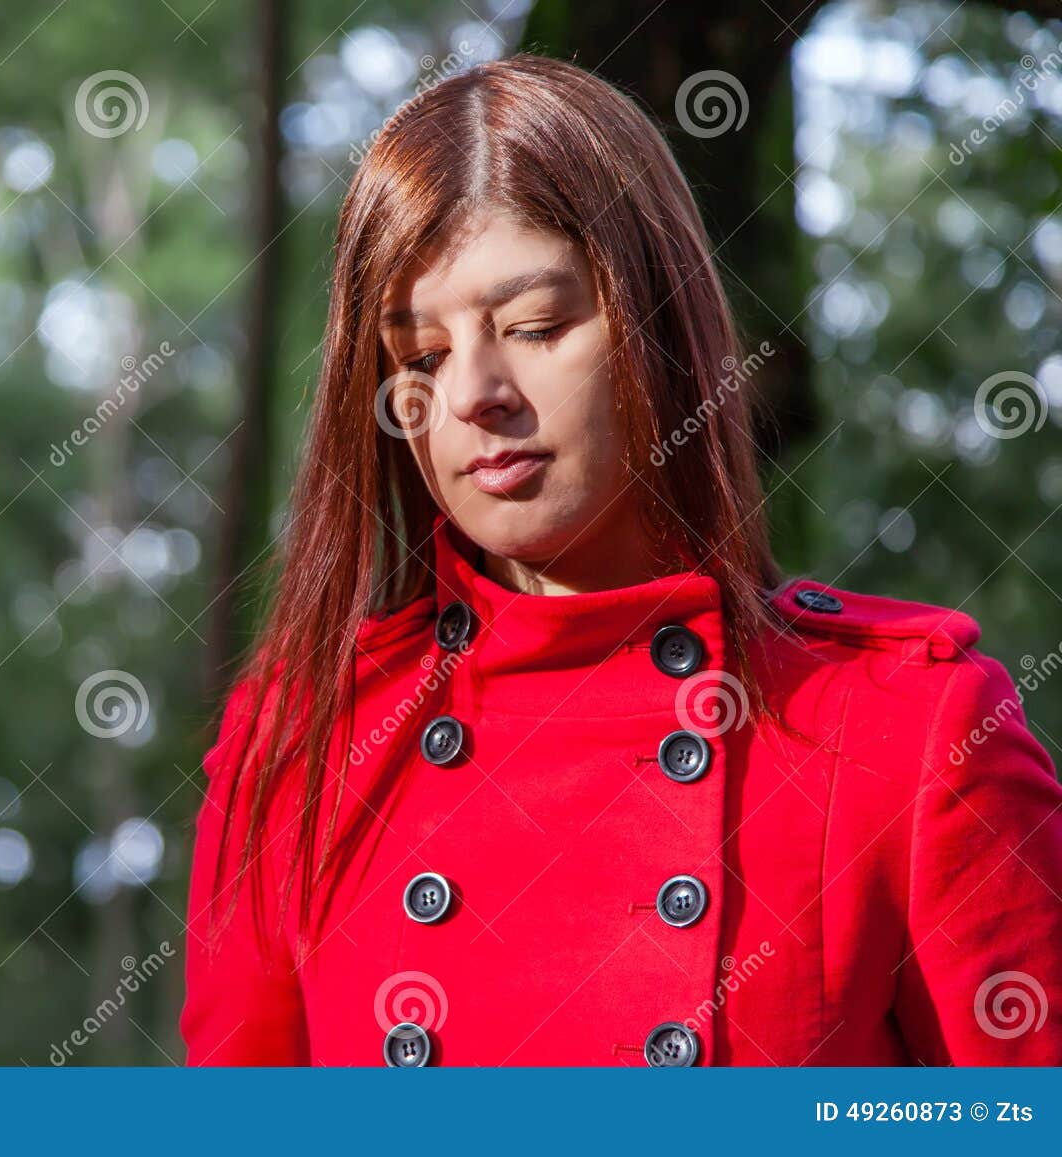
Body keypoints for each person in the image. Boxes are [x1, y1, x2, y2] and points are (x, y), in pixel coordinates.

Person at [179, 52, 1062, 1067]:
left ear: (660, 324)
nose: (472, 392)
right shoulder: (301, 744)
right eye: (418, 354)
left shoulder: (906, 733)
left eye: (533, 326)